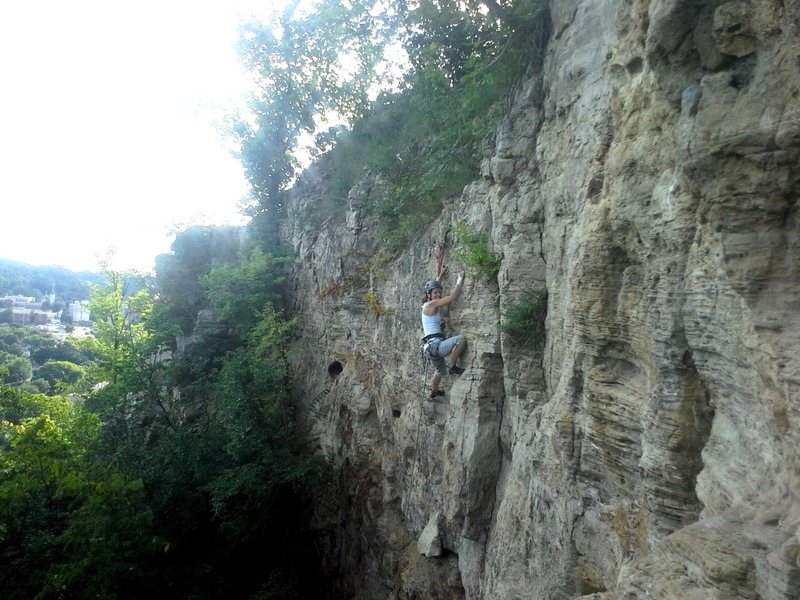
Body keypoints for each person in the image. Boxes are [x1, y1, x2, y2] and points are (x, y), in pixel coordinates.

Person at [421, 264, 466, 398]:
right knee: (460, 340)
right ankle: (452, 366)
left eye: (439, 292)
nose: (439, 294)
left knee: (439, 372)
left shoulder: (426, 304)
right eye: (435, 293)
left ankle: (434, 392)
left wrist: (440, 275)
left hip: (429, 348)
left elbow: (434, 288)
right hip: (436, 346)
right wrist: (460, 279)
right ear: (429, 295)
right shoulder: (431, 304)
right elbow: (452, 298)